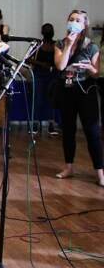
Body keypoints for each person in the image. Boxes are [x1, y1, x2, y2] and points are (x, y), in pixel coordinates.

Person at [52, 10, 102, 186]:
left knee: (92, 132)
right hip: (67, 91)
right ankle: (69, 167)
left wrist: (89, 68)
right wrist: (68, 45)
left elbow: (96, 74)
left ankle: (100, 172)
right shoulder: (59, 43)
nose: (74, 22)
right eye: (71, 19)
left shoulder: (92, 46)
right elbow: (60, 66)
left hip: (86, 92)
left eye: (78, 20)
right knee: (68, 131)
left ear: (84, 25)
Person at [31, 23, 59, 135]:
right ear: (42, 32)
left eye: (50, 30)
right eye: (46, 30)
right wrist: (42, 64)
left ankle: (51, 125)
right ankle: (35, 124)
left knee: (51, 100)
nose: (48, 32)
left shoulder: (56, 44)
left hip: (52, 75)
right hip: (38, 74)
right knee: (38, 99)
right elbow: (29, 59)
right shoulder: (38, 44)